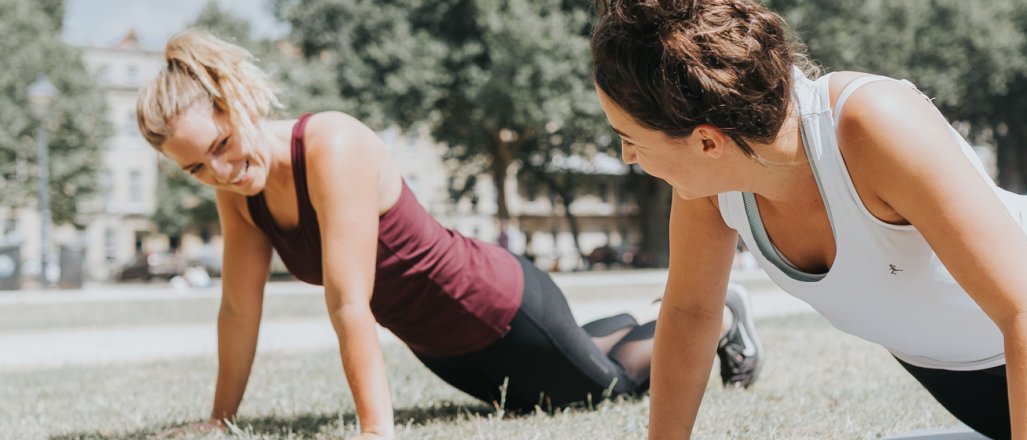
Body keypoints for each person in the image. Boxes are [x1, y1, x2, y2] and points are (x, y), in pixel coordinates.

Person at [589, 1, 1027, 438]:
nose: (626, 153)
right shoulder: (713, 178)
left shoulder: (875, 126)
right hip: (954, 366)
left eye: (628, 135)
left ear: (706, 138)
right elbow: (689, 314)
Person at [135, 30, 763, 439]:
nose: (220, 171)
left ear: (237, 101)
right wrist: (220, 420)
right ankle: (649, 317)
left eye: (221, 145)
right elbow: (239, 307)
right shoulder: (238, 194)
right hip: (445, 350)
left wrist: (375, 432)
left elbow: (349, 300)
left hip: (498, 306)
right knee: (544, 390)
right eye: (196, 168)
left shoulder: (331, 144)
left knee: (608, 388)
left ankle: (722, 323)